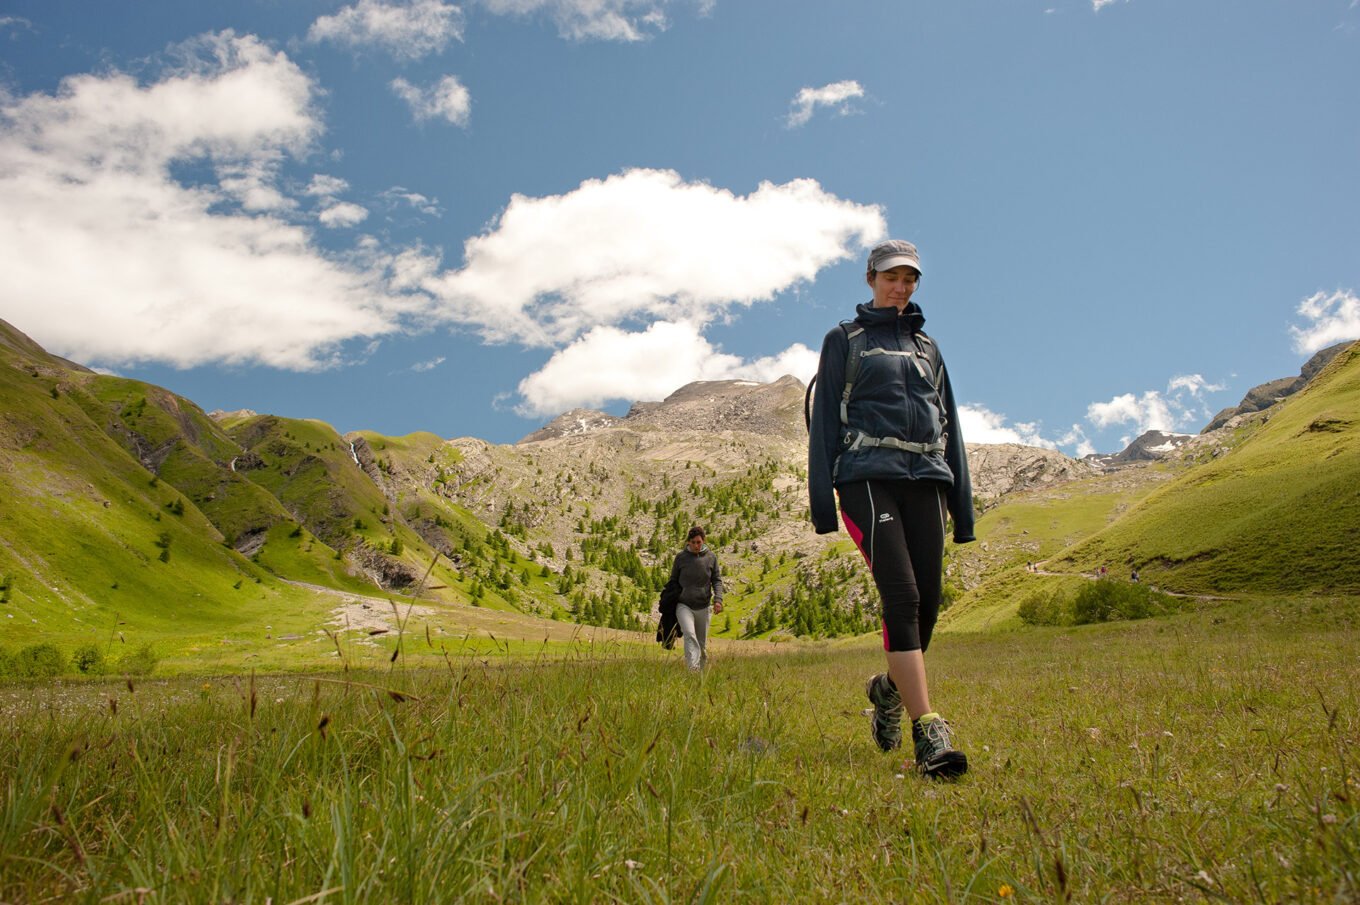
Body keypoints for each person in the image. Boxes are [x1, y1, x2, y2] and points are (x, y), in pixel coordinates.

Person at [807, 239, 975, 779]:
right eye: (890, 277)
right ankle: (929, 732)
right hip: (865, 479)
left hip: (926, 480)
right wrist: (822, 505)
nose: (900, 287)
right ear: (870, 278)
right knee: (900, 595)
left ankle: (887, 690)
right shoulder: (844, 340)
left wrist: (962, 508)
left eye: (909, 279)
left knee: (927, 605)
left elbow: (950, 425)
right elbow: (825, 426)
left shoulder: (929, 348)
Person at [667, 525, 724, 670]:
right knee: (689, 635)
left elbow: (716, 580)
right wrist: (670, 598)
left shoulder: (711, 557)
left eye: (699, 542)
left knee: (701, 644)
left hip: (703, 606)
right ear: (688, 542)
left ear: (703, 541)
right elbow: (673, 580)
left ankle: (702, 674)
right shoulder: (681, 558)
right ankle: (692, 670)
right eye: (693, 542)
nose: (696, 545)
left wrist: (718, 600)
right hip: (684, 605)